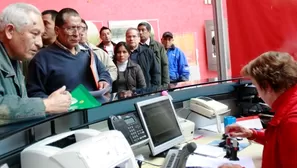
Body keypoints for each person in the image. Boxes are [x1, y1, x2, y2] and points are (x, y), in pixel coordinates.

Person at [219, 51, 297, 168]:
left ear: (267, 86)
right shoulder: (290, 108)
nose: (259, 95)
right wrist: (252, 134)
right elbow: (281, 141)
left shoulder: (292, 121)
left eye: (257, 88)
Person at [0, 3, 71, 124]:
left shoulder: (17, 59)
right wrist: (46, 105)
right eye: (34, 34)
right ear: (10, 31)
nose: (40, 43)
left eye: (41, 35)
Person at [26, 8, 111, 98]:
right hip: (65, 111)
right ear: (57, 30)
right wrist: (53, 102)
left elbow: (104, 72)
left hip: (94, 108)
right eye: (71, 28)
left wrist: (104, 80)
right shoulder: (41, 59)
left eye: (79, 28)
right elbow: (33, 93)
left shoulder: (88, 53)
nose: (77, 34)